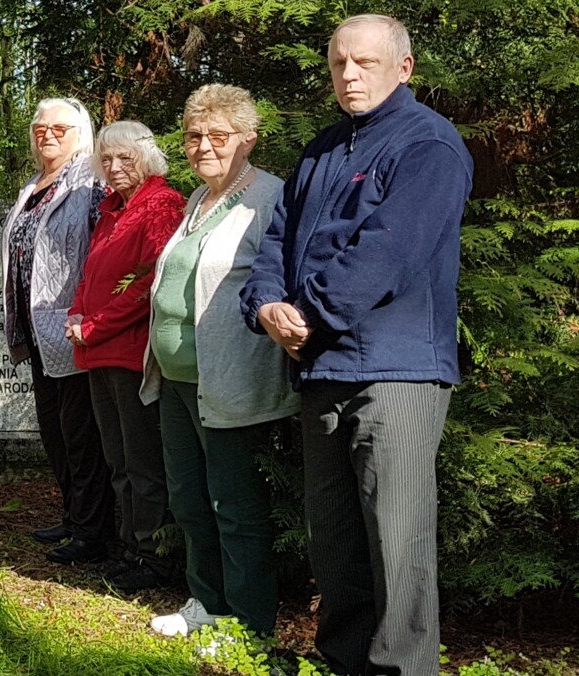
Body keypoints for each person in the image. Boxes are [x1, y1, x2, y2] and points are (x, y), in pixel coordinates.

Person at [240, 15, 473, 675]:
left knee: (397, 543)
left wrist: (305, 313)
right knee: (335, 540)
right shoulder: (321, 150)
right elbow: (277, 244)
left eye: (365, 63)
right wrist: (264, 306)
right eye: (340, 63)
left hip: (395, 372)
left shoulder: (429, 145)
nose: (349, 75)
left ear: (404, 67)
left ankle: (402, 669)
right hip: (322, 369)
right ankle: (343, 660)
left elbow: (390, 251)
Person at [143, 84, 297, 639]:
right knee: (187, 498)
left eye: (218, 136)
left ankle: (248, 623)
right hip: (178, 380)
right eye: (193, 136)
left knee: (233, 504)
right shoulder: (196, 199)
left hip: (229, 379)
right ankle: (206, 602)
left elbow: (277, 281)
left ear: (247, 140)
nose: (203, 145)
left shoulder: (269, 198)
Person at [67, 120, 184, 590]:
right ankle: (129, 547)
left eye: (124, 159)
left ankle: (154, 557)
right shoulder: (111, 209)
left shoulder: (161, 204)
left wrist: (94, 325)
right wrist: (78, 314)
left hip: (131, 352)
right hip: (98, 350)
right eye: (106, 160)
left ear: (147, 159)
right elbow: (92, 275)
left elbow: (149, 282)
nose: (114, 168)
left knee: (142, 462)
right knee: (118, 459)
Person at [3, 97, 112, 565]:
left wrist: (86, 313)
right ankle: (73, 517)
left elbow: (101, 252)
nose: (47, 135)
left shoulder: (91, 183)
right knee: (55, 433)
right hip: (35, 329)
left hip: (70, 326)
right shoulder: (33, 184)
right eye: (39, 128)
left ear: (81, 134)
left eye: (59, 129)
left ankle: (94, 531)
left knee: (81, 434)